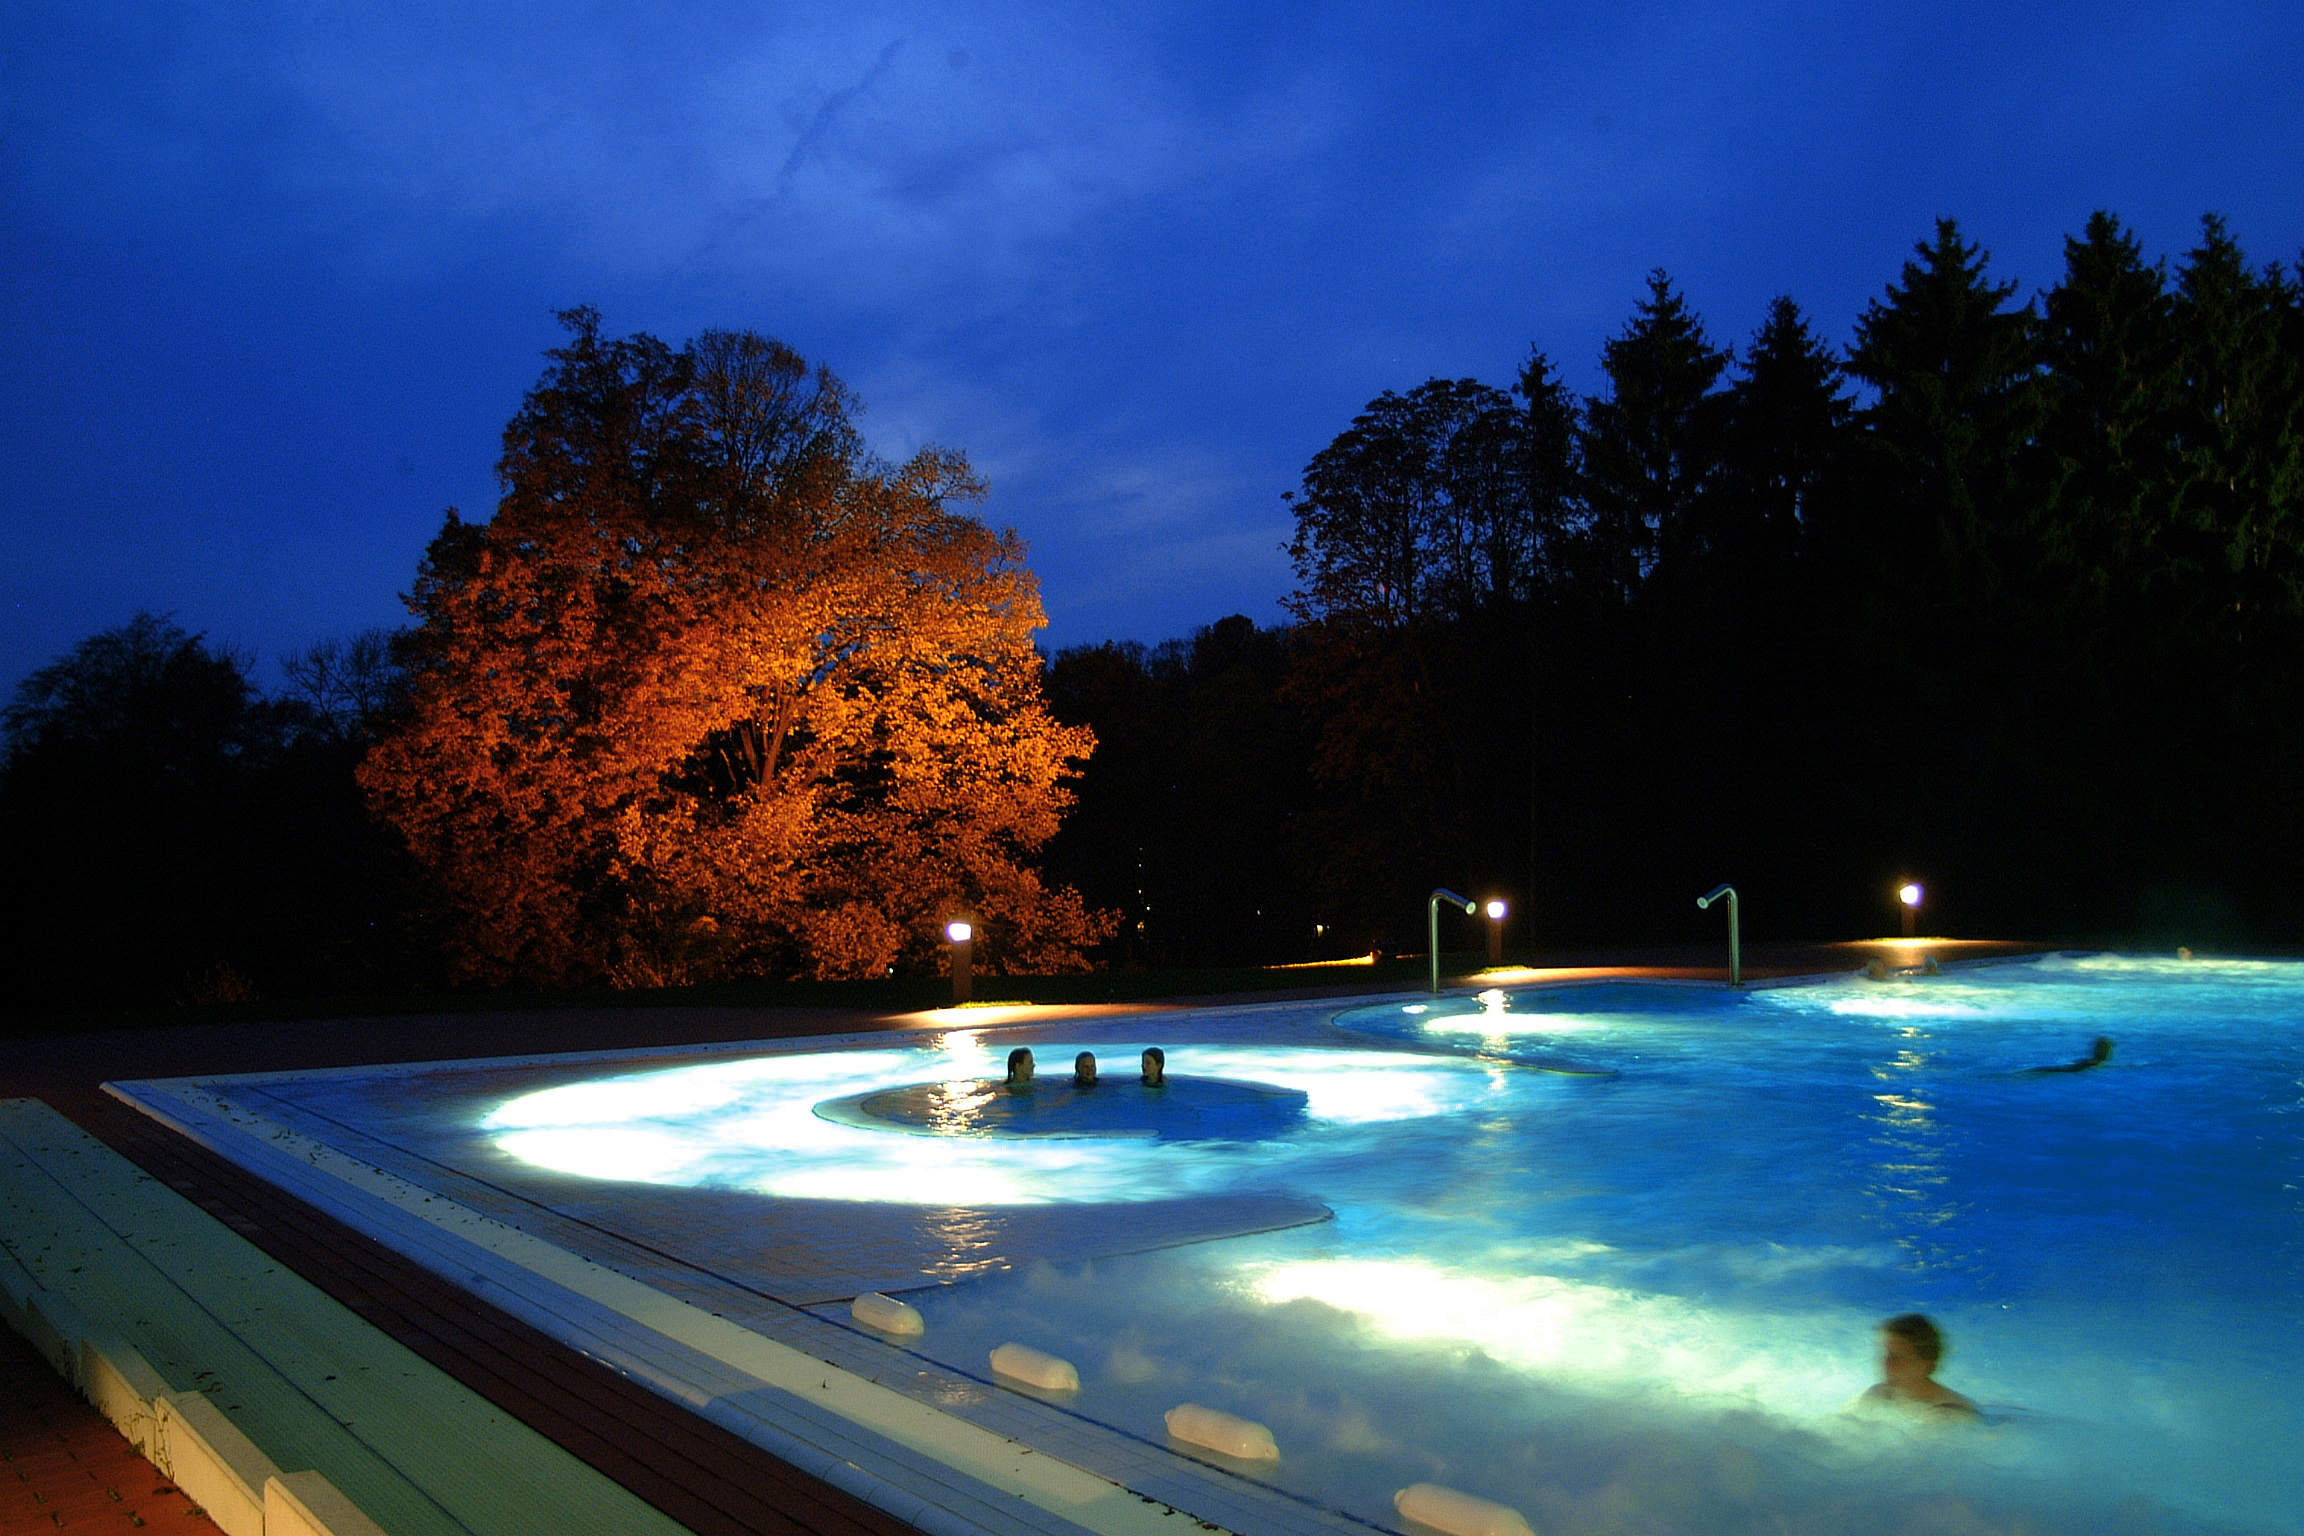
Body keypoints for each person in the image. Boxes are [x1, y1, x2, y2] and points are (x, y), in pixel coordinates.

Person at [1857, 1313, 1976, 1420]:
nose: (1886, 1364)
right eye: (1885, 1355)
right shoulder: (1879, 1395)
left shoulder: (1952, 1414)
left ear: (1924, 1366)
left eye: (1896, 1358)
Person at [2021, 1036, 2113, 1075]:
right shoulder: (2097, 1065)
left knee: (2039, 1070)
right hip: (2065, 1070)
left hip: (2063, 1070)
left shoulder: (2088, 1062)